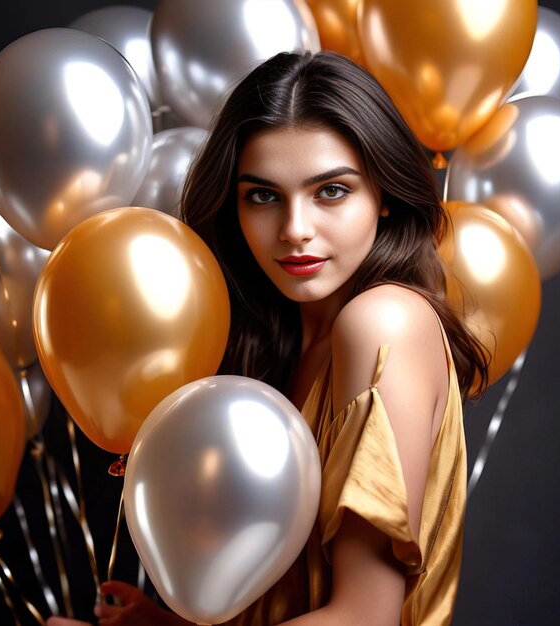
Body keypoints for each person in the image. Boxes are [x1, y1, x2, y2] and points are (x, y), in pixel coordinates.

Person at [48, 50, 488, 626]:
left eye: (331, 191)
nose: (295, 231)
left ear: (383, 195)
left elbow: (363, 617)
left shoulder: (383, 322)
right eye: (262, 195)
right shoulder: (267, 350)